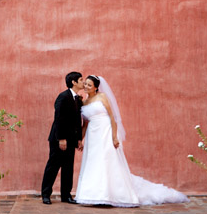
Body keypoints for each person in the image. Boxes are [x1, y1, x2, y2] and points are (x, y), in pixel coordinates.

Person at [75, 75, 189, 207]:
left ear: (96, 87)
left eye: (90, 85)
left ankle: (111, 194)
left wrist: (114, 137)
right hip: (92, 136)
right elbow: (85, 124)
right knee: (93, 162)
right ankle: (94, 195)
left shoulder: (102, 97)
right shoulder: (84, 102)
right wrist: (80, 140)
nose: (86, 87)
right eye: (86, 84)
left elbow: (113, 118)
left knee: (107, 160)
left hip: (105, 132)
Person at [41, 71, 84, 205]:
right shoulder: (63, 97)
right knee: (53, 166)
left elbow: (78, 121)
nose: (83, 82)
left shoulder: (78, 99)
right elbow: (58, 119)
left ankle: (66, 195)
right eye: (81, 80)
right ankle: (46, 194)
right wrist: (61, 138)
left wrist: (78, 139)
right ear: (74, 82)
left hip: (71, 140)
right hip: (58, 139)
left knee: (68, 167)